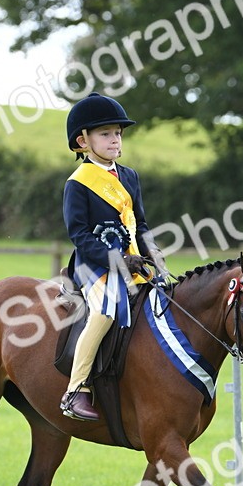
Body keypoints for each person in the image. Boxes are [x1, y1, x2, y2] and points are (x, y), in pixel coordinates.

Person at [59, 92, 158, 421]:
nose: (115, 139)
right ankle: (76, 389)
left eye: (118, 133)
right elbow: (80, 236)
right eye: (105, 134)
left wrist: (153, 255)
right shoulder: (78, 183)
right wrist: (116, 260)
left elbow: (139, 223)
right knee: (104, 312)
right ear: (82, 141)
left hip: (133, 262)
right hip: (94, 267)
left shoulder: (130, 177)